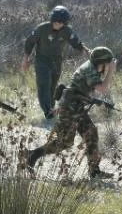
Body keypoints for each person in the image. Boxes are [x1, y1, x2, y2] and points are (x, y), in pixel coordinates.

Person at [23, 46, 116, 180]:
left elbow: (85, 88)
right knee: (64, 142)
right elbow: (103, 89)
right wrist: (111, 71)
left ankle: (94, 172)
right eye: (108, 63)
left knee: (91, 133)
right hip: (70, 108)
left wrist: (93, 99)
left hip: (76, 107)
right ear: (101, 62)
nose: (109, 66)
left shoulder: (93, 67)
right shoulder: (90, 69)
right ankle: (32, 155)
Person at [22, 5, 90, 119]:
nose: (58, 24)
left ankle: (51, 108)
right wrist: (25, 59)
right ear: (52, 20)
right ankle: (48, 112)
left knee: (52, 86)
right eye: (56, 22)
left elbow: (76, 42)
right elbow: (30, 42)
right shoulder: (42, 28)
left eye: (61, 23)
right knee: (44, 84)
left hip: (56, 61)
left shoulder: (67, 31)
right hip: (42, 60)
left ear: (65, 23)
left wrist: (86, 50)